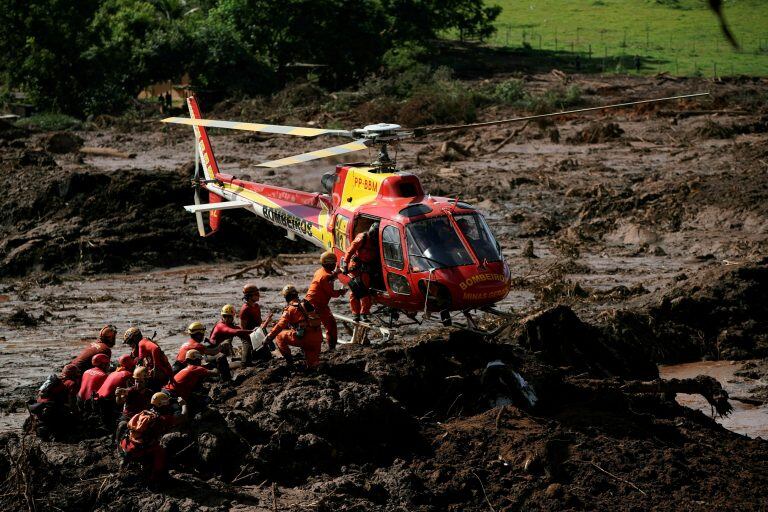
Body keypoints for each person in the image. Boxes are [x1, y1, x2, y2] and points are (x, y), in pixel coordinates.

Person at [119, 392, 188, 484]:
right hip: (144, 446)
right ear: (162, 405)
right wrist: (184, 404)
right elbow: (183, 417)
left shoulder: (146, 412)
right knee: (161, 453)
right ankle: (156, 478)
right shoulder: (162, 419)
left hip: (131, 441)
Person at [264, 285, 323, 369]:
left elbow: (281, 325)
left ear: (287, 297)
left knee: (279, 336)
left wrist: (269, 336)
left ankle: (290, 363)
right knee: (312, 365)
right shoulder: (306, 304)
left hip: (306, 339)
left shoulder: (291, 308)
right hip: (317, 338)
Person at [28, 364, 81, 440]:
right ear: (74, 374)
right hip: (50, 409)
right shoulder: (71, 383)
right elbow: (72, 401)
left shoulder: (55, 380)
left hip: (38, 407)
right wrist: (77, 414)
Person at [306, 251, 346, 350]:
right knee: (331, 326)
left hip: (310, 302)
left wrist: (337, 273)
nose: (335, 265)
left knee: (312, 328)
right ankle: (331, 349)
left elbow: (330, 277)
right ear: (329, 263)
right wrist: (341, 292)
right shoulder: (325, 276)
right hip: (317, 305)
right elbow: (332, 293)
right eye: (334, 263)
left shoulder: (320, 271)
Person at [342, 222, 379, 321]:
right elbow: (350, 250)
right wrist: (345, 264)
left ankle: (364, 313)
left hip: (367, 267)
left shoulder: (378, 240)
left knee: (366, 291)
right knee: (355, 290)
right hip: (356, 266)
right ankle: (356, 314)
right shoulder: (362, 238)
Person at [96, 354, 136, 427]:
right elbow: (133, 389)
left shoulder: (114, 372)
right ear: (131, 365)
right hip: (107, 402)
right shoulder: (128, 374)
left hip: (97, 398)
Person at [238, 284, 262, 365]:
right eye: (256, 294)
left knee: (266, 357)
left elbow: (259, 322)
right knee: (245, 363)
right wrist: (251, 341)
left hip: (257, 334)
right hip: (247, 336)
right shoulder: (245, 309)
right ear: (249, 296)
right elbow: (242, 329)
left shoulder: (257, 306)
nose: (259, 296)